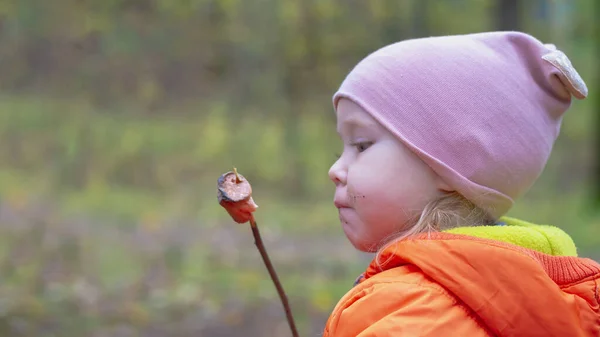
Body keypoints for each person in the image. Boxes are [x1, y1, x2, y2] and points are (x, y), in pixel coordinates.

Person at [323, 31, 600, 336]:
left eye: (361, 145)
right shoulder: (538, 283)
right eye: (342, 148)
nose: (335, 170)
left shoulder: (418, 313)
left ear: (444, 168)